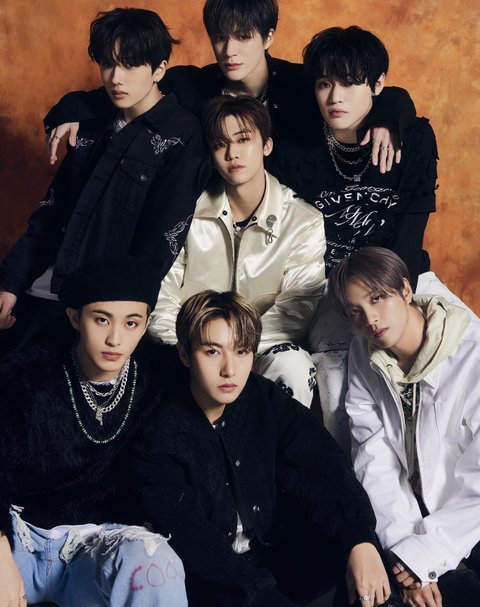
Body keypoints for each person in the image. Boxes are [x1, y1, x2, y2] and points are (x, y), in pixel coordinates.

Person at [132, 289, 394, 607]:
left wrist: (359, 539)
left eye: (242, 351)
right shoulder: (159, 430)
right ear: (185, 355)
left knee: (366, 560)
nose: (230, 369)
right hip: (209, 587)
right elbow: (194, 544)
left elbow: (320, 463)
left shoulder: (262, 397)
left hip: (271, 560)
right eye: (212, 352)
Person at [0, 7, 210, 355]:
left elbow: (160, 242)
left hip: (97, 308)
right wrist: (10, 283)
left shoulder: (180, 135)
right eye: (108, 64)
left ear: (159, 70)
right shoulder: (90, 124)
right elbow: (50, 212)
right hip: (39, 292)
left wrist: (118, 318)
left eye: (130, 65)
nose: (116, 78)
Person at [45, 0, 413, 176]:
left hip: (288, 221)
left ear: (268, 37)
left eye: (243, 37)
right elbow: (127, 89)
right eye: (220, 37)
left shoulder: (302, 82)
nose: (229, 51)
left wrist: (385, 119)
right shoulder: (192, 85)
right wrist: (71, 110)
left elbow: (379, 91)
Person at [0, 255, 187, 607]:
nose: (115, 338)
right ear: (75, 318)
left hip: (100, 545)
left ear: (146, 324)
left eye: (131, 323)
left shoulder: (161, 375)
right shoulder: (25, 376)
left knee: (157, 564)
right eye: (102, 319)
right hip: (21, 537)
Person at [293, 26, 438, 447]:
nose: (335, 97)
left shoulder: (412, 139)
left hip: (404, 279)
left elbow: (411, 228)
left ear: (377, 85)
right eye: (325, 84)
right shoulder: (296, 147)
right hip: (332, 292)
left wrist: (394, 301)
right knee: (341, 386)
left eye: (350, 83)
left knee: (462, 345)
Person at [149, 94, 326, 407]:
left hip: (261, 351)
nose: (232, 153)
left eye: (243, 140)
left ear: (266, 145)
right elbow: (161, 297)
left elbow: (296, 311)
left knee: (294, 365)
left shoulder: (303, 221)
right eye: (220, 144)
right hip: (194, 353)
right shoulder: (187, 212)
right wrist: (200, 351)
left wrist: (237, 350)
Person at [328, 246, 480, 607]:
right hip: (407, 515)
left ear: (406, 290)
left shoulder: (472, 354)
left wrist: (426, 554)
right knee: (360, 596)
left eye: (377, 298)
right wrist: (404, 549)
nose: (370, 319)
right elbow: (373, 458)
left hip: (467, 520)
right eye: (355, 312)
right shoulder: (364, 354)